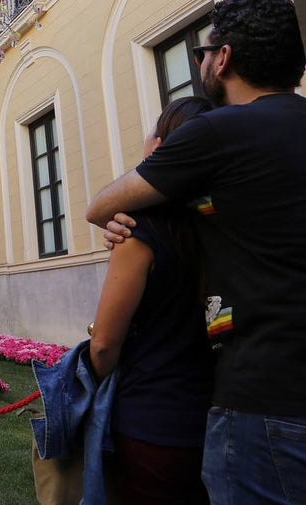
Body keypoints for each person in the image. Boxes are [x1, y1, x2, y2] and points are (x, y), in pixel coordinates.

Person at [85, 0, 306, 505]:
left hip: (267, 401)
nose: (201, 63)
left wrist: (128, 220)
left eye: (202, 51)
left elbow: (100, 205)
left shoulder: (217, 132)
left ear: (223, 57)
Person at [88, 96, 214, 505]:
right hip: (218, 416)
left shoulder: (138, 231)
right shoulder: (223, 224)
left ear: (160, 147)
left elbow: (104, 344)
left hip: (151, 421)